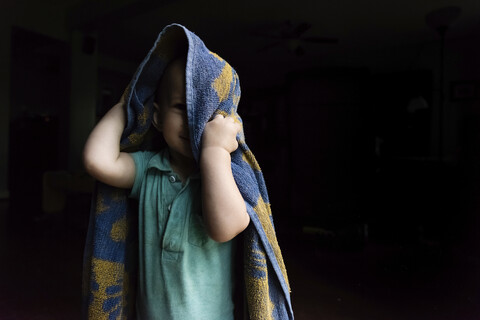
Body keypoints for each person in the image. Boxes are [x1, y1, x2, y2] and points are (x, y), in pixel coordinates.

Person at [83, 52, 250, 319]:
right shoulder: (148, 169)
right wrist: (127, 105)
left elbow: (225, 228)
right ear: (157, 118)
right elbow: (97, 162)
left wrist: (215, 151)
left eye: (206, 113)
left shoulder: (223, 176)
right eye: (182, 108)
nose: (193, 120)